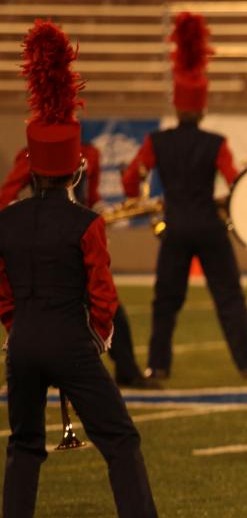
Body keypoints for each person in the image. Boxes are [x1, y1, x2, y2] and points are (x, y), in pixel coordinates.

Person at [0, 21, 201, 518]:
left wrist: (15, 325)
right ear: (76, 169)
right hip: (71, 342)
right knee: (119, 439)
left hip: (22, 345)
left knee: (23, 445)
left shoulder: (6, 222)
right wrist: (97, 339)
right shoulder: (86, 222)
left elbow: (3, 289)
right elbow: (102, 295)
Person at [120, 11, 247, 382]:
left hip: (175, 228)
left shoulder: (158, 141)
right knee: (229, 299)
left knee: (165, 303)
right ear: (202, 108)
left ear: (177, 105)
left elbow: (130, 178)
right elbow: (236, 182)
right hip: (209, 227)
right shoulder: (216, 144)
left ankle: (159, 365)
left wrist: (144, 197)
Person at [2, 144, 158, 390]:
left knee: (110, 305)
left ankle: (125, 370)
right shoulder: (30, 154)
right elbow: (7, 194)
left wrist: (102, 214)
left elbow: (91, 198)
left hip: (79, 236)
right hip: (47, 246)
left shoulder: (91, 153)